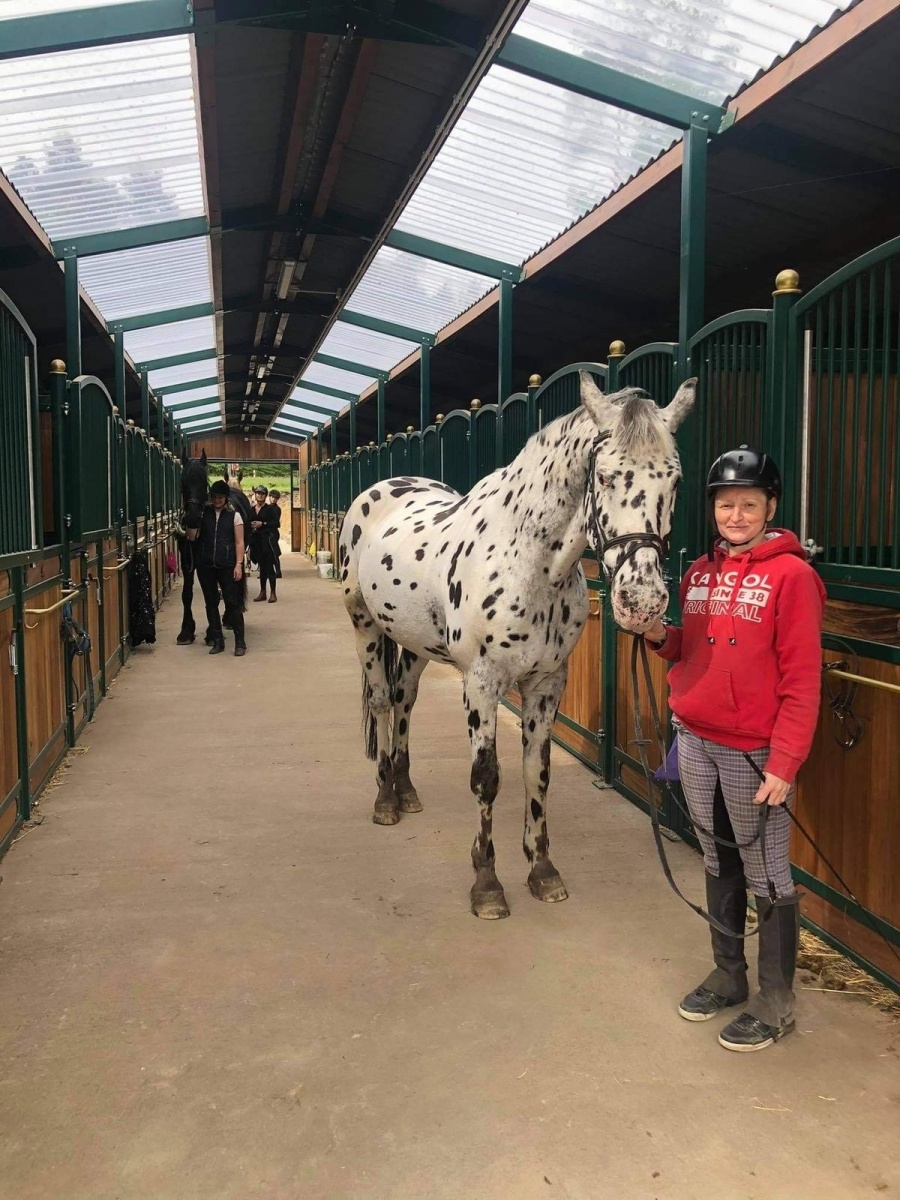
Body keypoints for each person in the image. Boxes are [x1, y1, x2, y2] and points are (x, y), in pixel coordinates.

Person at [644, 446, 825, 1052]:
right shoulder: (699, 573)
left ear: (770, 506)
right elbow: (689, 650)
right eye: (726, 504)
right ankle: (729, 975)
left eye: (749, 503)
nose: (737, 514)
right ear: (714, 510)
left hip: (754, 752)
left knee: (769, 873)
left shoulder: (793, 578)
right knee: (717, 858)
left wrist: (785, 762)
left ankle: (777, 1003)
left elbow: (802, 680)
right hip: (695, 738)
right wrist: (655, 634)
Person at [196, 479, 247, 657]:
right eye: (215, 497)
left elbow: (240, 542)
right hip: (206, 565)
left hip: (227, 564)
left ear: (226, 498)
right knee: (211, 603)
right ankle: (218, 641)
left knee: (232, 603)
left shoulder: (235, 516)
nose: (217, 500)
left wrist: (238, 564)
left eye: (221, 497)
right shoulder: (204, 514)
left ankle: (240, 642)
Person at [248, 485, 281, 603]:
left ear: (265, 496)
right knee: (262, 568)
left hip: (267, 541)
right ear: (255, 495)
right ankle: (262, 592)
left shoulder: (270, 509)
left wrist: (263, 524)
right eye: (258, 493)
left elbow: (276, 524)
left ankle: (273, 592)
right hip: (256, 542)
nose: (260, 495)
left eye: (262, 494)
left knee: (269, 567)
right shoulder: (251, 510)